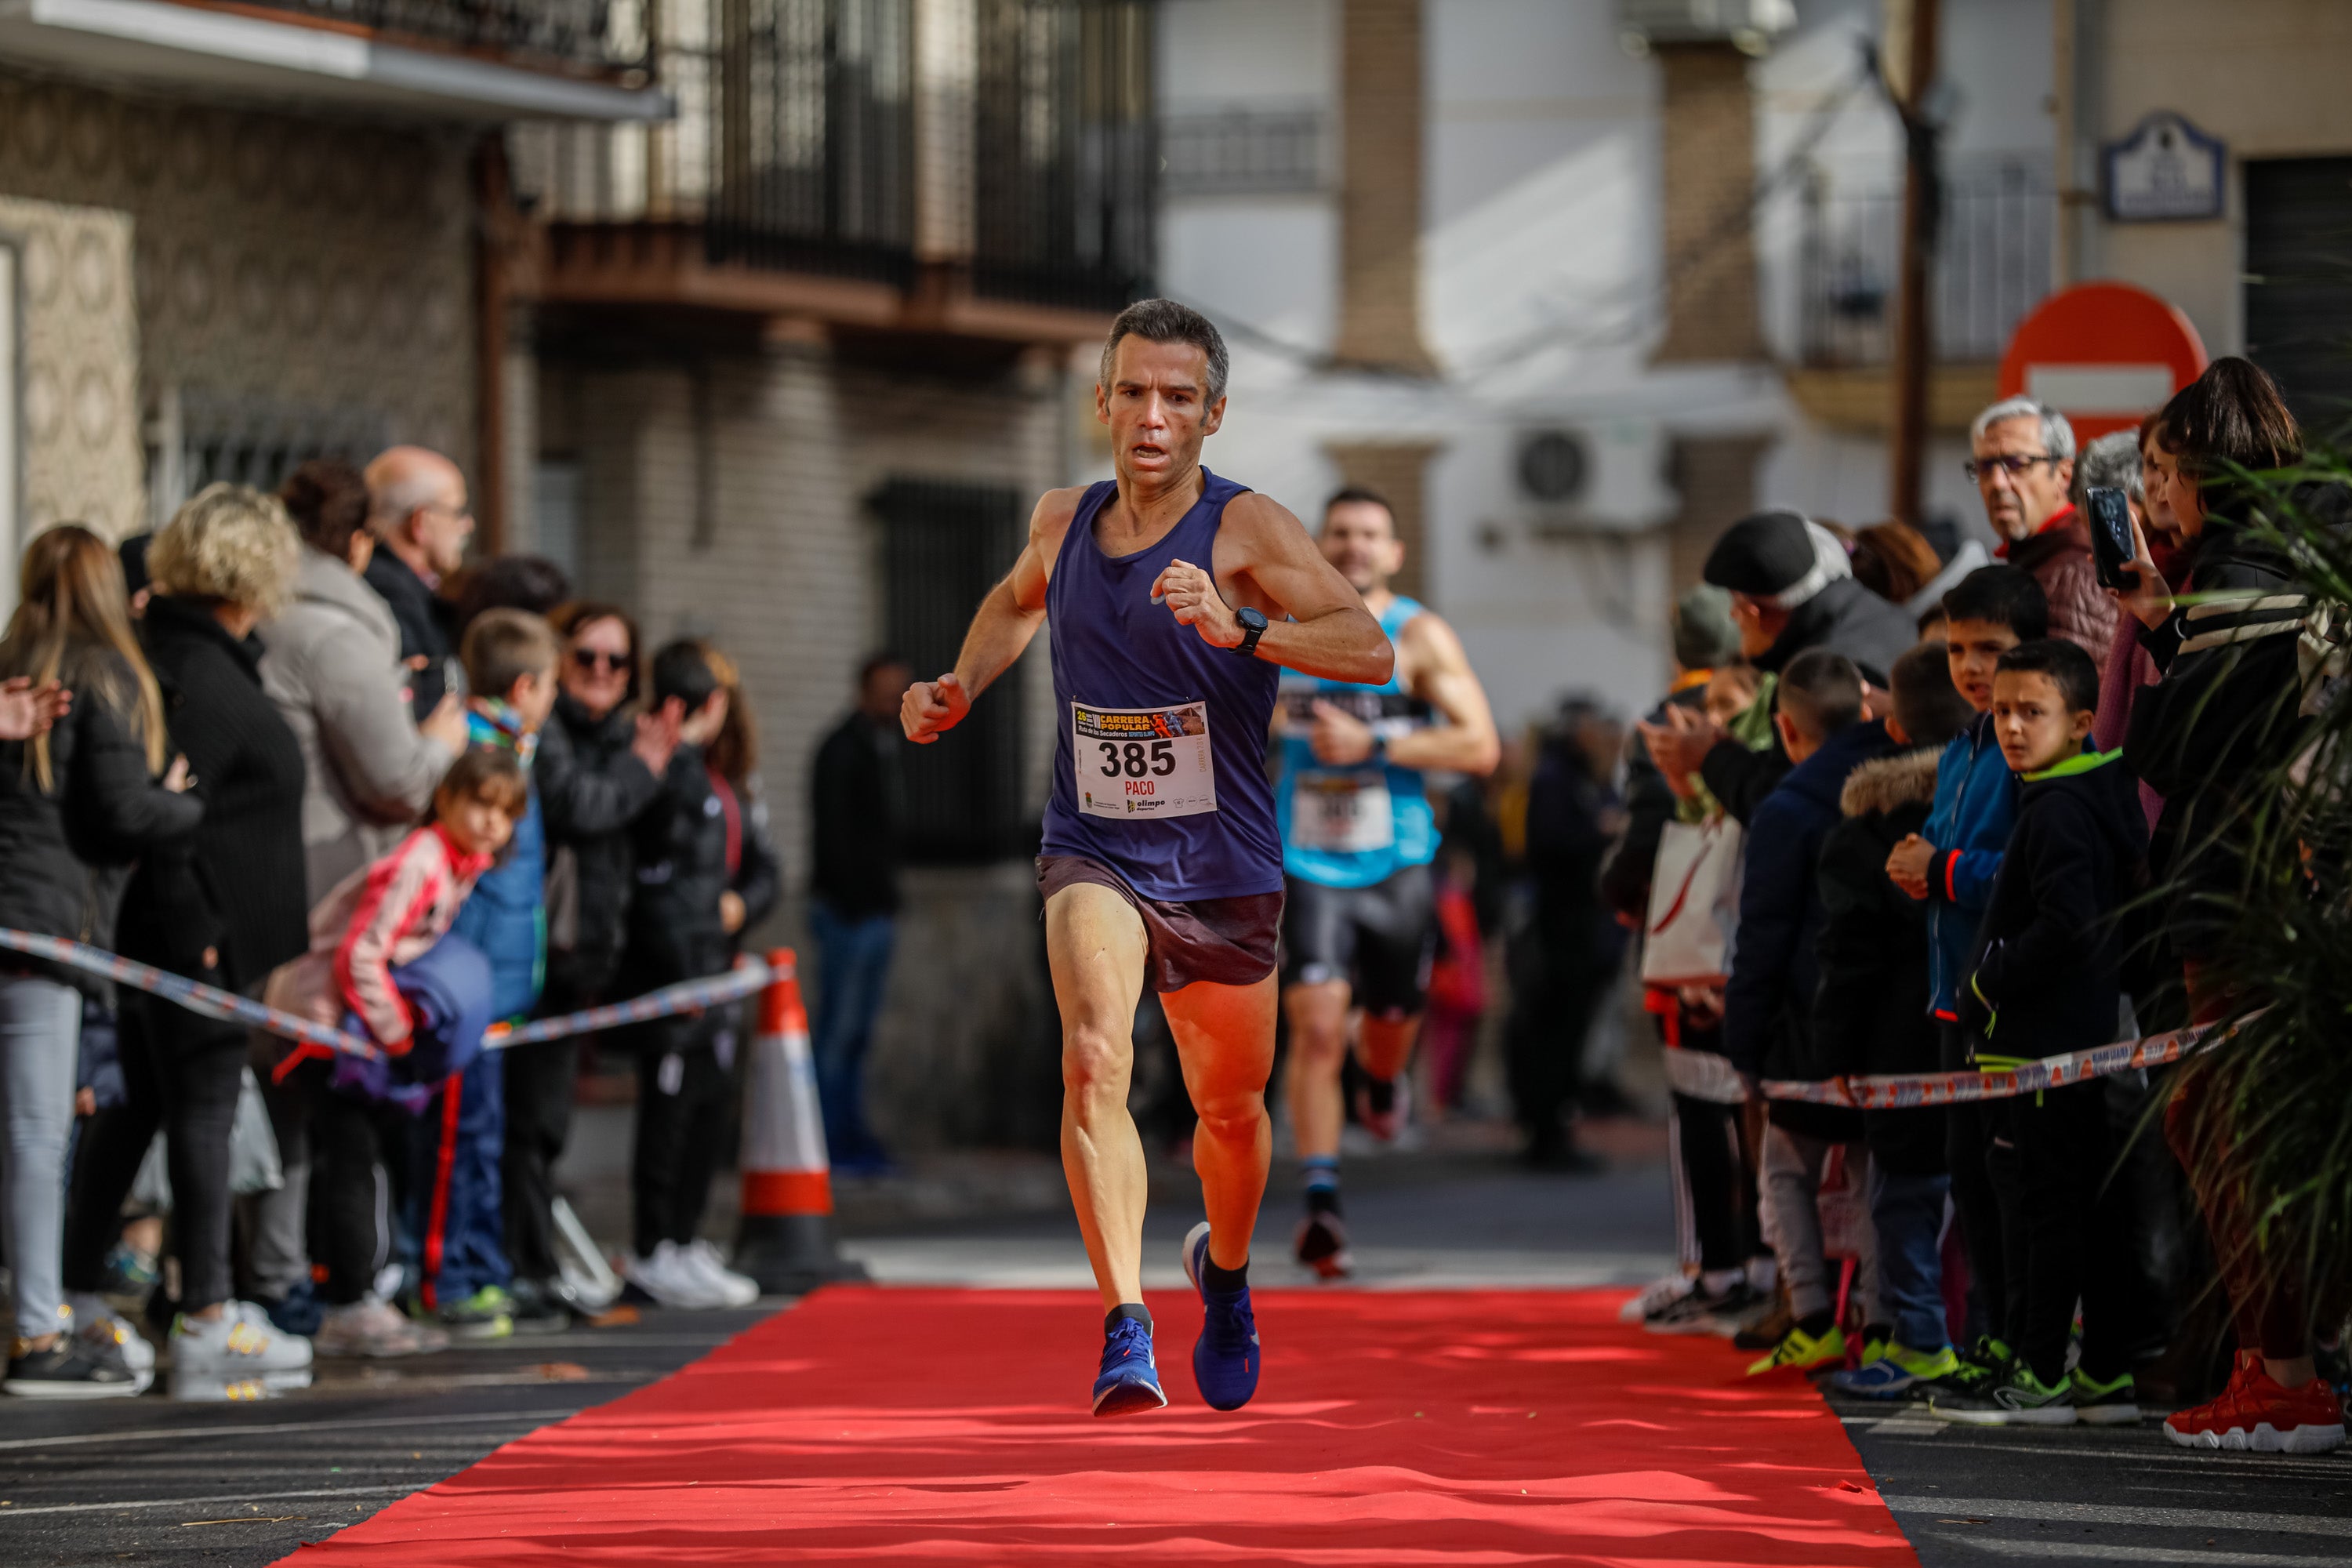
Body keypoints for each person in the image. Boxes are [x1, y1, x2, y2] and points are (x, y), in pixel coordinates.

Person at [900, 298, 1389, 1417]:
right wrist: (960, 686)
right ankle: (1126, 1323)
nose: (1152, 417)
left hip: (1223, 865)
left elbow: (1370, 644)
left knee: (1229, 1112)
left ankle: (1225, 1277)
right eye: (1133, 393)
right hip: (1093, 845)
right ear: (1103, 403)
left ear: (1213, 414)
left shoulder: (1248, 529)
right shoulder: (1062, 516)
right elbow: (1012, 601)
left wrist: (1242, 628)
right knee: (1091, 1057)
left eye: (1178, 397)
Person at [2111, 358, 2349, 1454]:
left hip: (2246, 901)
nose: (2154, 496)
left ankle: (2285, 1375)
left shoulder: (2244, 573)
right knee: (2218, 1125)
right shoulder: (2287, 563)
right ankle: (2275, 1365)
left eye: (2164, 471)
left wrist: (2163, 628)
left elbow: (2175, 744)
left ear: (2210, 469)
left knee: (2231, 1132)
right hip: (2269, 896)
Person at [57, 486, 315, 1400]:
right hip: (191, 936)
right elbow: (174, 823)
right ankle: (205, 1310)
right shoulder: (191, 669)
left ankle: (77, 1288)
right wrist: (202, 940)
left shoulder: (199, 656)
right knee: (199, 1108)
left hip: (195, 934)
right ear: (253, 573)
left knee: (142, 1111)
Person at [1273, 486, 1499, 1276]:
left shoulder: (1419, 635)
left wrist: (1374, 744)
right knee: (1317, 1022)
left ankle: (1381, 1079)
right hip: (1305, 860)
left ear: (1394, 552)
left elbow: (1479, 745)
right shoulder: (1282, 627)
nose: (1354, 546)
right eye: (1339, 533)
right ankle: (1321, 1198)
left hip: (1398, 860)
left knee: (1392, 1017)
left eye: (1370, 534)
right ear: (1317, 544)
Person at [0, 527, 197, 1397]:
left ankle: (36, 1312)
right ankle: (39, 1329)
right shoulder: (101, 673)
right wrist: (182, 804)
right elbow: (119, 810)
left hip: (23, 916)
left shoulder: (13, 662)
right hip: (45, 922)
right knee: (39, 1136)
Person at [1933, 638, 2149, 1426]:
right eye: (2001, 712)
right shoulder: (2071, 795)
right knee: (2085, 1203)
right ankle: (2101, 1371)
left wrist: (1988, 976)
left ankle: (2040, 1373)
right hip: (2063, 1041)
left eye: (2033, 711)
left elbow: (2069, 924)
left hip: (2044, 1047)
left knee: (2046, 1208)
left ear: (2083, 720)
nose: (2013, 728)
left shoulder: (2060, 807)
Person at [265, 747, 525, 1356]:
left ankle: (348, 1291)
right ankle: (349, 1302)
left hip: (355, 1028)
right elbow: (360, 952)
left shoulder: (461, 865)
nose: (492, 821)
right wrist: (398, 1032)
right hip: (328, 1024)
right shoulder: (423, 862)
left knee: (355, 1158)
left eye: (506, 812)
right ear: (446, 800)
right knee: (353, 1159)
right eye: (481, 804)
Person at [1884, 564, 2048, 1395]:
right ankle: (1986, 1341)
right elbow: (1954, 861)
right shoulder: (1961, 747)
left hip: (2009, 998)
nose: (1971, 665)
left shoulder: (2030, 753)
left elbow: (2028, 874)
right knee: (1971, 1177)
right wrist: (1922, 864)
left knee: (2012, 1178)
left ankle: (2025, 1344)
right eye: (1955, 648)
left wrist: (1940, 867)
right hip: (1954, 995)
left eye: (1991, 647)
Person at [1720, 649, 1892, 1375]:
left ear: (1786, 729)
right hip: (1890, 1016)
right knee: (1874, 1171)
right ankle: (1885, 1323)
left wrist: (1745, 1043)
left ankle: (1812, 1311)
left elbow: (1762, 935)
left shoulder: (1787, 807)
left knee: (1785, 1166)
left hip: (1806, 1018)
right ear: (1865, 707)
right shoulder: (1908, 779)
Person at [1814, 642, 1976, 1397]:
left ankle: (1919, 1338)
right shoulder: (1994, 803)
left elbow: (1849, 957)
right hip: (1987, 1026)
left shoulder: (1864, 831)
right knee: (1984, 1192)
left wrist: (1834, 1051)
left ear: (1896, 729)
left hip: (1897, 1039)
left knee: (1903, 1196)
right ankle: (1989, 1340)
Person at [506, 603, 677, 1312]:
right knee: (528, 1120)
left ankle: (533, 1259)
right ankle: (525, 1266)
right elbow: (583, 806)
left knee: (547, 1123)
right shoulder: (548, 735)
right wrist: (645, 767)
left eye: (617, 661)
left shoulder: (622, 736)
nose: (602, 673)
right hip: (538, 954)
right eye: (586, 658)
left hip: (591, 958)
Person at [407, 610, 563, 1340]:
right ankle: (444, 1277)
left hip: (502, 987)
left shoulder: (515, 749)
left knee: (486, 1136)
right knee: (455, 1141)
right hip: (466, 986)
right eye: (552, 686)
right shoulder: (470, 751)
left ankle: (480, 1264)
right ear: (527, 685)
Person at [620, 641, 777, 1311]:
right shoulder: (667, 777)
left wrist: (737, 911)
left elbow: (753, 870)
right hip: (676, 978)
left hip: (712, 971)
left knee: (707, 1112)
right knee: (669, 1115)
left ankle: (683, 1241)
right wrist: (684, 972)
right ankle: (655, 1246)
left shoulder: (719, 781)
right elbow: (663, 891)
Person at [1639, 510, 1915, 827]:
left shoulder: (1809, 677)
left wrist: (1708, 755)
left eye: (1736, 606)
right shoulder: (1882, 615)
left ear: (1755, 612)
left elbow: (1778, 803)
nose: (1732, 617)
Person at [1507, 699, 1626, 1170]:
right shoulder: (1556, 780)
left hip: (1579, 930)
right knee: (1553, 1034)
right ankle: (1545, 1133)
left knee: (1569, 1034)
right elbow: (1550, 845)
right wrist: (1600, 832)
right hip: (1560, 932)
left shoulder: (1581, 779)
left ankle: (1554, 1127)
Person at [808, 652, 912, 1174]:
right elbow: (835, 840)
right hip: (849, 916)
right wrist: (855, 902)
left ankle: (851, 1138)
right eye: (887, 691)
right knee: (837, 1036)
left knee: (858, 1037)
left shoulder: (885, 746)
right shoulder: (842, 750)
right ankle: (828, 1144)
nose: (896, 701)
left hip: (874, 913)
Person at [1967, 396, 2117, 659]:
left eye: (2017, 464)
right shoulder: (2041, 561)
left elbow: (2060, 696)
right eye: (1985, 467)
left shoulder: (2073, 575)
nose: (1998, 483)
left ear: (2064, 474)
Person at [363, 446, 473, 720]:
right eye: (457, 512)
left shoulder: (402, 585)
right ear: (421, 522)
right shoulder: (388, 594)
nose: (467, 525)